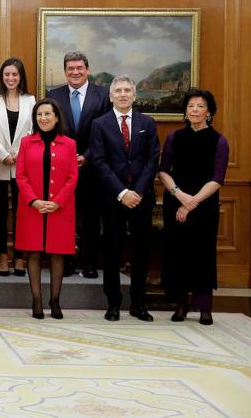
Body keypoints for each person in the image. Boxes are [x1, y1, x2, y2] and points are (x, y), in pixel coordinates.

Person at [90, 75, 159, 322]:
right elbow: (98, 161)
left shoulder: (147, 123)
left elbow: (153, 160)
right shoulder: (100, 124)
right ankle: (113, 304)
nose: (122, 94)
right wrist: (122, 193)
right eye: (117, 90)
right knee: (112, 251)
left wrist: (137, 192)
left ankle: (139, 304)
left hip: (141, 198)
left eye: (127, 90)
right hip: (112, 198)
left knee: (141, 251)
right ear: (110, 96)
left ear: (134, 95)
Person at [158, 89, 228, 326]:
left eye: (200, 106)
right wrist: (180, 196)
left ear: (209, 112)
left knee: (202, 254)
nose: (195, 110)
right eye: (191, 106)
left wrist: (192, 202)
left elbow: (217, 178)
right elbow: (163, 170)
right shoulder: (174, 137)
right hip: (175, 202)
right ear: (185, 111)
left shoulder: (219, 141)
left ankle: (204, 306)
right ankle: (181, 304)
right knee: (178, 253)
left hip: (204, 206)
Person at [47, 51, 111, 278]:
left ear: (87, 69)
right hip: (61, 168)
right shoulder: (54, 95)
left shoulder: (103, 95)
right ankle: (67, 263)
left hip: (93, 167)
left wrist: (87, 156)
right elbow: (49, 129)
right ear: (65, 72)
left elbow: (107, 131)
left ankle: (90, 263)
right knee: (63, 218)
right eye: (70, 69)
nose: (75, 72)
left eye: (79, 68)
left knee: (91, 217)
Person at [15, 98, 79, 319]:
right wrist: (34, 201)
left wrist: (57, 202)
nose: (43, 118)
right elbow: (21, 175)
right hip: (32, 208)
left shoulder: (69, 144)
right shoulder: (26, 142)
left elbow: (72, 177)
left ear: (57, 117)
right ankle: (37, 301)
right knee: (32, 253)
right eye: (39, 115)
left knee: (57, 254)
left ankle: (55, 301)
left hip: (59, 208)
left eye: (47, 114)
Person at [0, 58, 35, 276]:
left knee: (23, 213)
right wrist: (3, 155)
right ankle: (2, 256)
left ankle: (19, 257)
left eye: (14, 74)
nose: (10, 78)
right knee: (0, 212)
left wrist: (19, 154)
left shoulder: (31, 100)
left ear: (21, 76)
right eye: (7, 74)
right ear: (2, 76)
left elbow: (34, 129)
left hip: (23, 165)